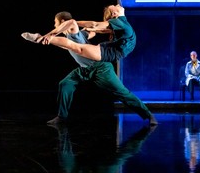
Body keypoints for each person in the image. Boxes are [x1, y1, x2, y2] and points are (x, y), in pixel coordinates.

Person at [21, 11, 158, 126]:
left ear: (61, 21)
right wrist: (90, 31)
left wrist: (51, 34)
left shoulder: (72, 30)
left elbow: (72, 22)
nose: (54, 24)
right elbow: (88, 35)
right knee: (65, 83)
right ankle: (62, 117)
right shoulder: (77, 34)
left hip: (100, 68)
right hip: (84, 69)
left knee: (121, 92)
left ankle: (148, 115)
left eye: (55, 22)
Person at [22, 4, 136, 63]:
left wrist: (71, 24)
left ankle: (40, 38)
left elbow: (96, 27)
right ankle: (40, 38)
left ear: (115, 13)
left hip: (109, 52)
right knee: (71, 46)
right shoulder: (120, 22)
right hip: (108, 51)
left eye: (115, 5)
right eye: (115, 5)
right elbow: (96, 29)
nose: (117, 5)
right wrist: (85, 29)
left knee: (73, 46)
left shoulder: (120, 23)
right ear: (115, 14)